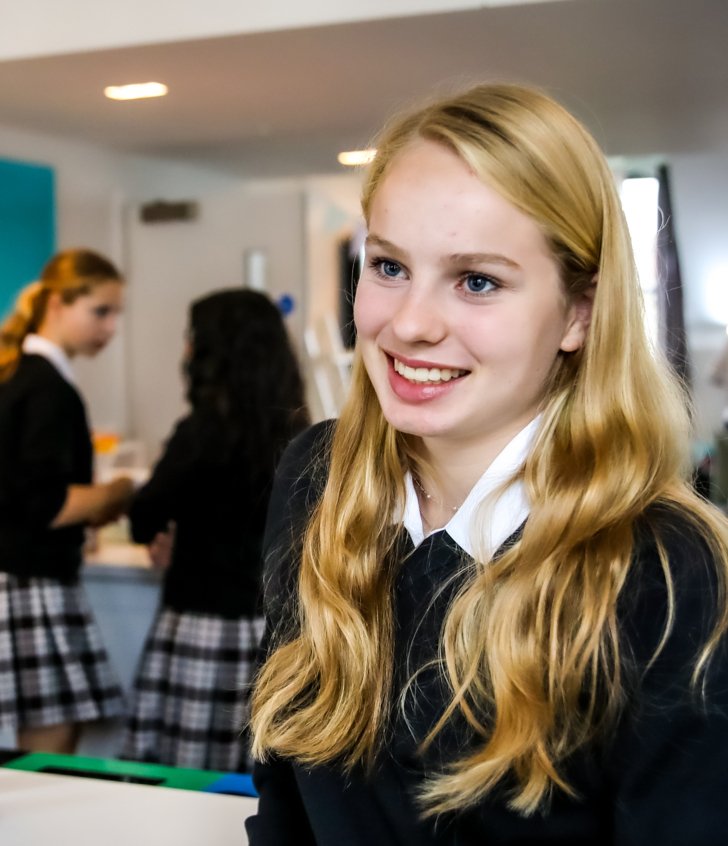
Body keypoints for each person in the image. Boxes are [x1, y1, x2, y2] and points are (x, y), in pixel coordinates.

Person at [246, 83, 728, 845]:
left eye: (477, 281)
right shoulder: (319, 478)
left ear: (581, 312)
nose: (408, 325)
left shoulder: (668, 572)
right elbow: (284, 794)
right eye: (389, 267)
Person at [121, 288, 309, 772]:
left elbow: (145, 515)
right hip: (277, 633)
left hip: (202, 625)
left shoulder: (202, 431)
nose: (186, 348)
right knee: (256, 777)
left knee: (188, 775)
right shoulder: (299, 431)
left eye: (193, 337)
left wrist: (164, 532)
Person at [0, 248, 134, 754]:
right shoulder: (46, 387)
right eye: (100, 311)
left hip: (24, 575)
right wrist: (118, 492)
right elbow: (47, 503)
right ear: (57, 303)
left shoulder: (17, 374)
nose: (110, 327)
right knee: (50, 741)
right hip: (32, 578)